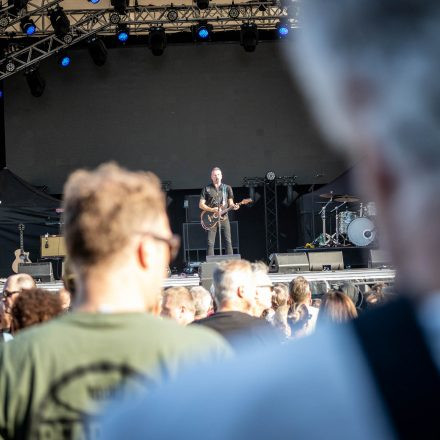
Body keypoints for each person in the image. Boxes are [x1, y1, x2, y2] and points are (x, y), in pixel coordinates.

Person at [100, 1, 440, 438]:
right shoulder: (209, 191)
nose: (219, 179)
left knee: (227, 237)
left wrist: (229, 206)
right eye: (218, 176)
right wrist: (211, 209)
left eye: (222, 177)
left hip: (227, 223)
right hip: (212, 221)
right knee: (215, 243)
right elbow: (203, 208)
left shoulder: (162, 417)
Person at [0, 163, 231, 439]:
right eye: (168, 246)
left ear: (72, 251)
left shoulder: (14, 363)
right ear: (146, 252)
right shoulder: (205, 356)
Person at [192, 260, 278, 349]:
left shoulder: (193, 330)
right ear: (242, 291)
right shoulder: (262, 329)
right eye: (252, 287)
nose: (254, 292)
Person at [199, 167, 239, 256]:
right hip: (212, 219)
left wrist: (235, 206)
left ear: (221, 176)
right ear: (211, 177)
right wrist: (211, 209)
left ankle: (230, 264)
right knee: (210, 242)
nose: (216, 176)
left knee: (228, 241)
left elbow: (231, 203)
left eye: (218, 174)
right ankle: (210, 265)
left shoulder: (227, 188)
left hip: (224, 218)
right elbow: (201, 205)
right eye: (214, 175)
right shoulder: (207, 189)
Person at [1, 273, 36, 339]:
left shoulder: (42, 327)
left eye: (7, 294)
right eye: (3, 294)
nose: (3, 298)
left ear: (24, 294)